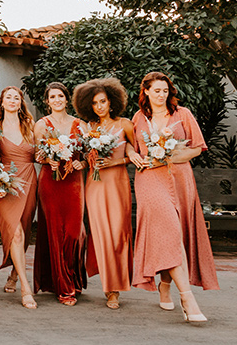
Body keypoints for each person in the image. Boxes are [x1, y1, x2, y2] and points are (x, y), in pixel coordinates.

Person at [127, 72, 217, 323]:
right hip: (149, 181)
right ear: (145, 92)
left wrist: (169, 157)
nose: (161, 95)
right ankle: (187, 299)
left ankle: (164, 283)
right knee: (168, 229)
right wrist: (130, 152)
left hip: (179, 179)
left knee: (175, 234)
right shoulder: (138, 118)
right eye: (156, 90)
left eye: (165, 91)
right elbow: (127, 142)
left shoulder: (182, 114)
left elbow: (197, 148)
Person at [73, 77, 134, 310]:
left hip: (117, 185)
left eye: (103, 101)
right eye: (95, 103)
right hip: (94, 186)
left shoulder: (125, 124)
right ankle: (111, 290)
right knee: (100, 235)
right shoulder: (89, 128)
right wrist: (84, 164)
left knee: (119, 234)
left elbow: (136, 155)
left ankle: (118, 282)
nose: (99, 107)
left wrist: (116, 162)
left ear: (112, 102)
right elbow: (86, 157)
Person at [33, 82, 87, 306]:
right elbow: (37, 154)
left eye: (60, 96)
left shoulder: (80, 124)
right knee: (55, 233)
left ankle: (71, 277)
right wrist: (48, 159)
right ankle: (64, 288)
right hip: (51, 182)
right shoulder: (41, 124)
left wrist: (81, 163)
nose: (57, 100)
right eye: (52, 97)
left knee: (74, 233)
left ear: (66, 99)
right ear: (47, 101)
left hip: (73, 183)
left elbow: (88, 153)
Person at [0, 86, 38, 309]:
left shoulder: (31, 126)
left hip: (29, 180)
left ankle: (14, 272)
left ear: (21, 102)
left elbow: (41, 154)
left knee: (26, 228)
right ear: (2, 102)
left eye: (16, 98)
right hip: (6, 183)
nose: (12, 101)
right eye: (8, 97)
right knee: (16, 233)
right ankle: (25, 288)